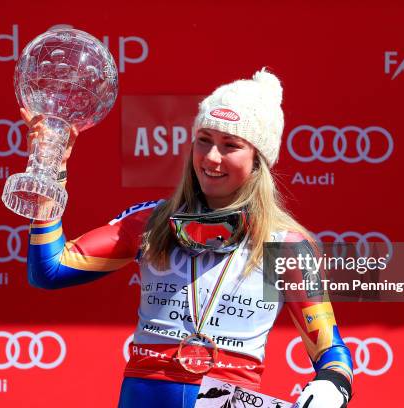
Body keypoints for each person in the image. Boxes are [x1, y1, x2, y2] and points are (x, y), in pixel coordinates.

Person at [24, 69, 354, 408]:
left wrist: (333, 385)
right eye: (204, 139)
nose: (211, 157)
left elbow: (330, 351)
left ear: (259, 160)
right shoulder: (151, 223)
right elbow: (49, 271)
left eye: (231, 145)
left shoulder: (285, 244)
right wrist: (50, 175)